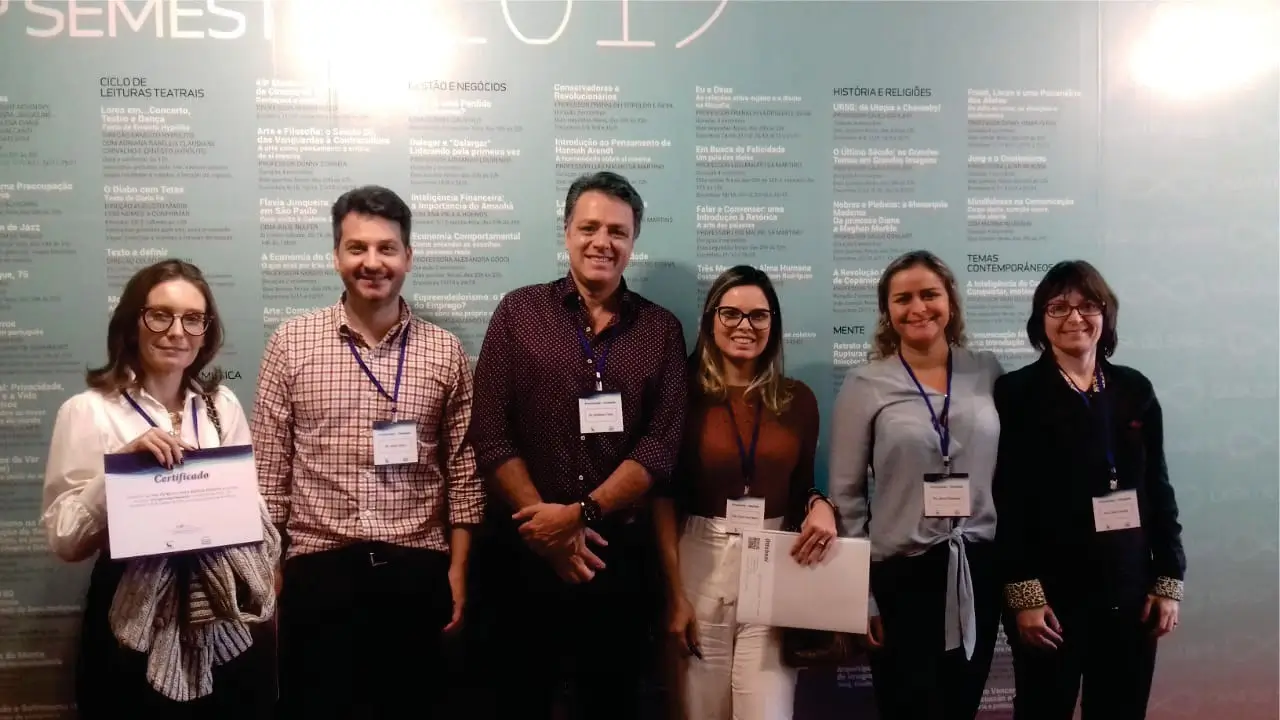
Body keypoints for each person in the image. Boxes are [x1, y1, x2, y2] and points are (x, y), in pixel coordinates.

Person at [251, 184, 484, 719]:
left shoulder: (445, 351)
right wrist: (271, 571)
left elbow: (463, 474)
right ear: (336, 256)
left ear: (408, 257)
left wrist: (458, 570)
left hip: (417, 571)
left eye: (387, 248)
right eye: (357, 247)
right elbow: (268, 474)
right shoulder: (291, 343)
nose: (372, 262)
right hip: (318, 572)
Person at [466, 170, 688, 719]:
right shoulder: (518, 313)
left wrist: (578, 516)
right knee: (517, 701)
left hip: (618, 558)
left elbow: (659, 446)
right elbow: (490, 433)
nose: (602, 242)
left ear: (634, 241)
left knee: (611, 704)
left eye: (618, 231)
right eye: (589, 228)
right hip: (523, 553)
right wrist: (546, 530)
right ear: (567, 232)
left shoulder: (660, 330)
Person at [40, 259, 278, 719]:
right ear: (133, 323)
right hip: (129, 605)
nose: (176, 332)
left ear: (206, 331)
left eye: (192, 318)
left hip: (220, 606)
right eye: (160, 315)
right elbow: (65, 540)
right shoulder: (88, 410)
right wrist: (122, 468)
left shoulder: (221, 405)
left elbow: (248, 507)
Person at [993, 260, 1185, 719]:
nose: (1074, 318)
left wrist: (1169, 580)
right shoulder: (1016, 393)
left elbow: (1158, 489)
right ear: (1041, 319)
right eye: (1058, 307)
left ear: (1106, 314)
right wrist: (1024, 594)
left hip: (1130, 594)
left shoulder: (1134, 389)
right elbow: (1007, 500)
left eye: (1088, 306)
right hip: (1050, 601)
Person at [654, 265, 838, 720]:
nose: (745, 326)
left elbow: (801, 486)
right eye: (731, 313)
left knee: (768, 711)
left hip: (776, 561)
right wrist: (674, 595)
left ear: (773, 324)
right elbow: (662, 496)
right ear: (710, 319)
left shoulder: (798, 400)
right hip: (699, 561)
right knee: (699, 710)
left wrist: (821, 505)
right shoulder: (680, 393)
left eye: (758, 315)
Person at [827, 249, 1004, 720]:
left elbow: (1011, 476)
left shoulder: (987, 370)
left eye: (930, 294)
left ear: (951, 302)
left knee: (961, 706)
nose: (918, 308)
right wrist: (861, 596)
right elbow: (846, 496)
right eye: (902, 299)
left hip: (977, 570)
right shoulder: (865, 383)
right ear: (887, 311)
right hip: (901, 579)